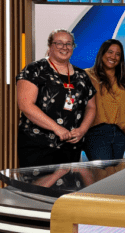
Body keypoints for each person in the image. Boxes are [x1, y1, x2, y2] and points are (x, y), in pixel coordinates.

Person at [16, 29, 97, 167]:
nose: (64, 47)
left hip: (71, 146)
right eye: (59, 43)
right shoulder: (35, 69)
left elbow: (91, 107)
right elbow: (26, 106)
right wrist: (57, 128)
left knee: (68, 187)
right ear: (50, 46)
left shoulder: (82, 75)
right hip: (38, 144)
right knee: (37, 187)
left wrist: (82, 130)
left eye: (68, 44)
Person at [85, 39, 125, 160]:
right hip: (95, 133)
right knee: (102, 173)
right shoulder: (87, 75)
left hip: (120, 134)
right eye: (110, 52)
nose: (113, 56)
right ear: (102, 53)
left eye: (118, 54)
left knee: (114, 174)